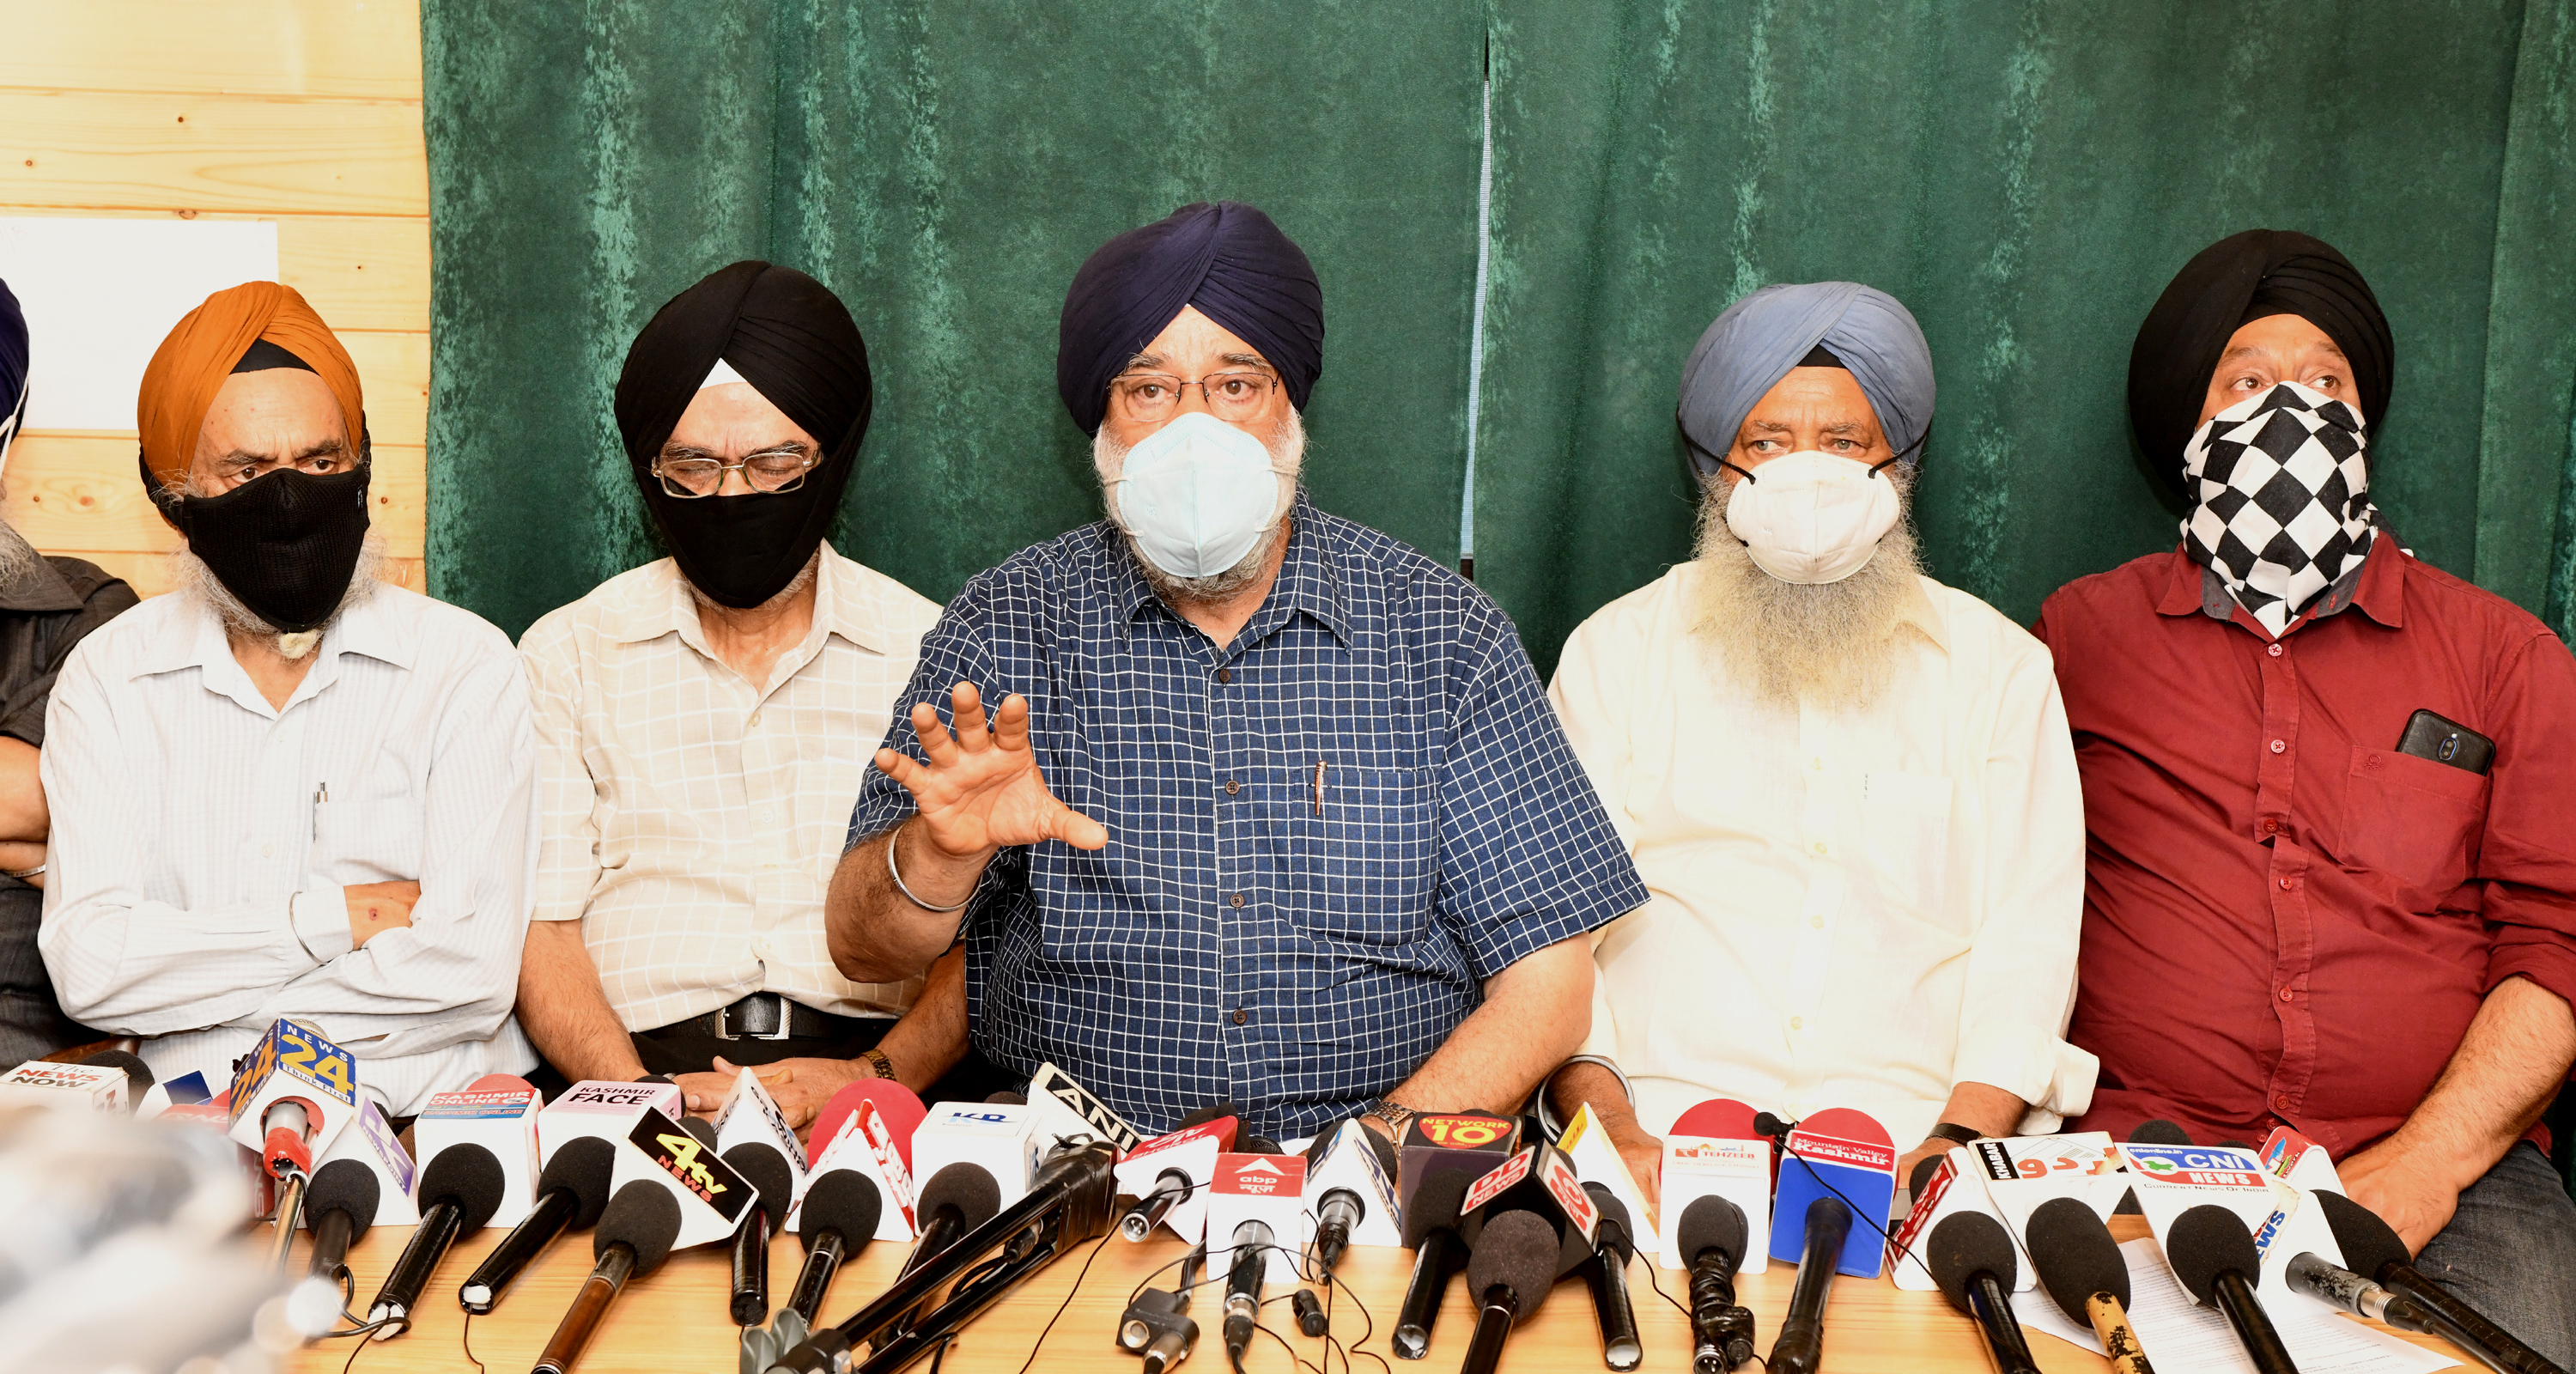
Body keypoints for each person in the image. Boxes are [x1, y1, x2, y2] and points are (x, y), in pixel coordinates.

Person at [826, 202, 1647, 1140]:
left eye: (1235, 385)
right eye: (1149, 390)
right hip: (1073, 1177)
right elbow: (858, 944)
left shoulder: (1444, 635)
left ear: (1291, 409)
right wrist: (939, 855)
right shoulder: (1009, 621)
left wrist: (1366, 1163)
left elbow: (1548, 986)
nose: (1193, 431)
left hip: (1373, 1170)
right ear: (1101, 423)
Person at [2039, 229, 2576, 1360]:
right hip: (2138, 1158)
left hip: (2451, 1179)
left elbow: (2560, 938)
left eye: (2326, 379)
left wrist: (2428, 1162)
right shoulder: (2082, 638)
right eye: (2246, 379)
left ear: (2366, 417)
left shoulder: (2505, 657)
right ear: (2190, 427)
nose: (2292, 406)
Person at [1547, 283, 2093, 1197]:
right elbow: (1555, 933)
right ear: (1719, 468)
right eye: (1766, 443)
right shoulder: (1618, 650)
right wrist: (1612, 1132)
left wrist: (1954, 1148)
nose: (1807, 476)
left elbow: (2028, 942)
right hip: (1656, 1130)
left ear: (1899, 467)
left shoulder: (2000, 668)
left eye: (1844, 444)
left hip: (1911, 1141)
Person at [38, 282, 535, 1115]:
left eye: (320, 462)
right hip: (193, 1146)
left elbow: (473, 973)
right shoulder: (108, 679)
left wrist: (200, 1005)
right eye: (246, 469)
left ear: (362, 468)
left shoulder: (465, 667)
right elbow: (90, 969)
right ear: (174, 495)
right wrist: (333, 922)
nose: (289, 494)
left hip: (423, 1138)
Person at [517, 261, 974, 1124]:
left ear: (831, 458)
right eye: (694, 466)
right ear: (652, 466)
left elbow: (984, 938)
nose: (733, 496)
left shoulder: (935, 648)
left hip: (870, 1082)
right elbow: (544, 929)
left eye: (773, 465)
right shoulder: (569, 652)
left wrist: (877, 1076)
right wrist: (636, 1104)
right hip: (635, 1075)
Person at [0, 278, 137, 1063]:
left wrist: (48, 820)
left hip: (30, 1074)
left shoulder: (86, 610)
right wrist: (35, 854)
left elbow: (58, 796)